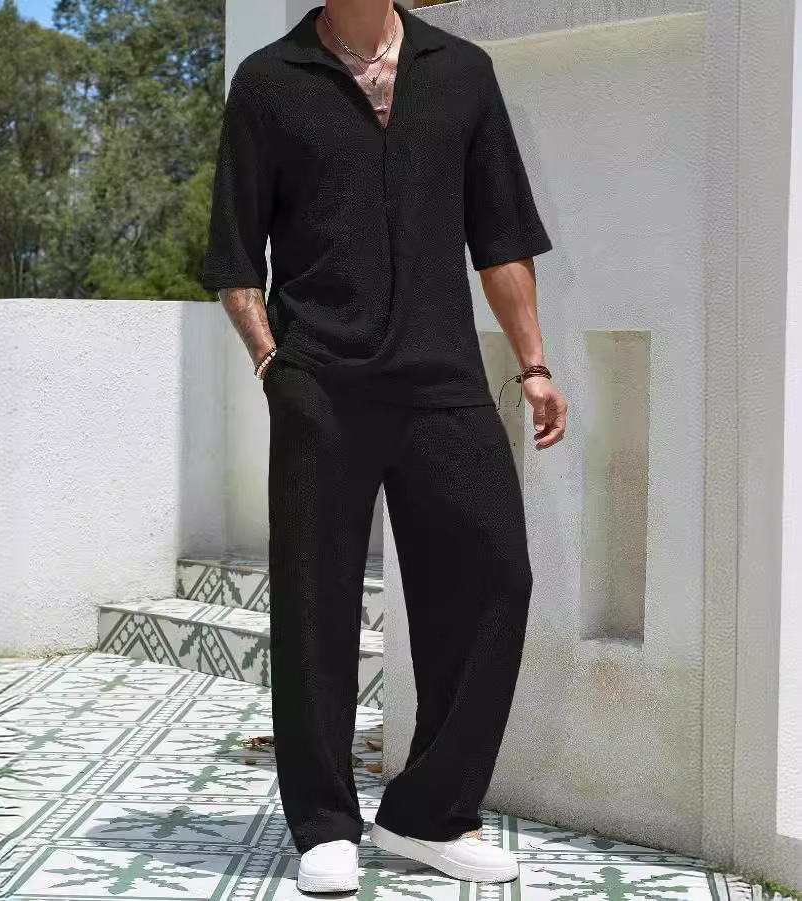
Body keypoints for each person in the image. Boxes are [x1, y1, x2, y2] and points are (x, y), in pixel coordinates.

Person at [202, 0, 566, 892]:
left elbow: (500, 235)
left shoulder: (461, 72)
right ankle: (324, 823)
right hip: (320, 380)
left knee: (496, 576)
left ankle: (427, 814)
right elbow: (235, 255)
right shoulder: (268, 82)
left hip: (442, 377)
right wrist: (272, 363)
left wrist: (532, 364)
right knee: (314, 602)